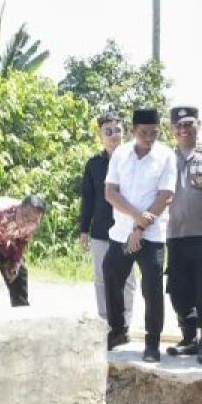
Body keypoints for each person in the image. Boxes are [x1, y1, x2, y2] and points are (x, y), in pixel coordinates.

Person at [104, 108, 177, 362]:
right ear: (134, 131)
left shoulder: (166, 156)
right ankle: (117, 331)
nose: (149, 138)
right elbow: (110, 193)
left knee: (152, 288)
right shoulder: (120, 154)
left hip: (152, 235)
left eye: (154, 133)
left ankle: (152, 342)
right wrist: (136, 218)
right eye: (144, 133)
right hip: (122, 233)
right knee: (111, 277)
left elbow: (165, 196)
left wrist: (141, 229)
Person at [164, 105, 202, 365]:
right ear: (171, 129)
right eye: (178, 125)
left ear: (198, 124)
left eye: (188, 124)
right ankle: (189, 338)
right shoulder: (165, 158)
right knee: (178, 291)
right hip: (176, 236)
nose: (183, 129)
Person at [79, 112, 135, 329]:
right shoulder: (94, 165)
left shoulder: (135, 161)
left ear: (125, 132)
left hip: (129, 230)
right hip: (101, 230)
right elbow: (88, 198)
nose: (114, 136)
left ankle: (125, 323)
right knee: (102, 278)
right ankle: (106, 323)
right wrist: (84, 229)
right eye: (108, 132)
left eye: (118, 131)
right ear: (100, 134)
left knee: (127, 279)